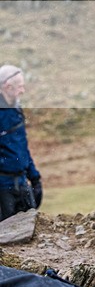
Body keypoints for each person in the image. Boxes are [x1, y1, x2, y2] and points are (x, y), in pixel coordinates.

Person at [0, 65, 42, 221]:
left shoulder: (16, 110)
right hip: (3, 188)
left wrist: (35, 178)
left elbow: (21, 148)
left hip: (22, 184)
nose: (22, 91)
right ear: (7, 87)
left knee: (31, 232)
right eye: (20, 87)